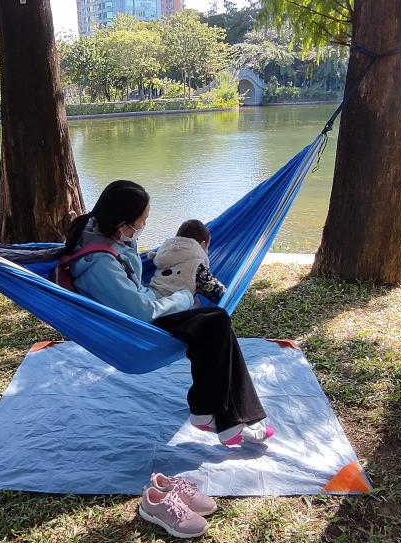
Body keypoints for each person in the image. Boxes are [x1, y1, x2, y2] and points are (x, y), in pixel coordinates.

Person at [64, 180, 274, 446]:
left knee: (216, 323)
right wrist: (184, 297)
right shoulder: (99, 265)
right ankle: (211, 412)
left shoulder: (102, 234)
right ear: (122, 223)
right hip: (134, 328)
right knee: (215, 323)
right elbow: (142, 311)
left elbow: (131, 278)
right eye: (141, 222)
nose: (142, 227)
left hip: (139, 310)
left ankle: (227, 418)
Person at [148, 219, 226, 304]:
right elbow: (217, 293)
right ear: (203, 245)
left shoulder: (163, 254)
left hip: (151, 300)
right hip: (172, 311)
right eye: (207, 247)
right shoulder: (197, 267)